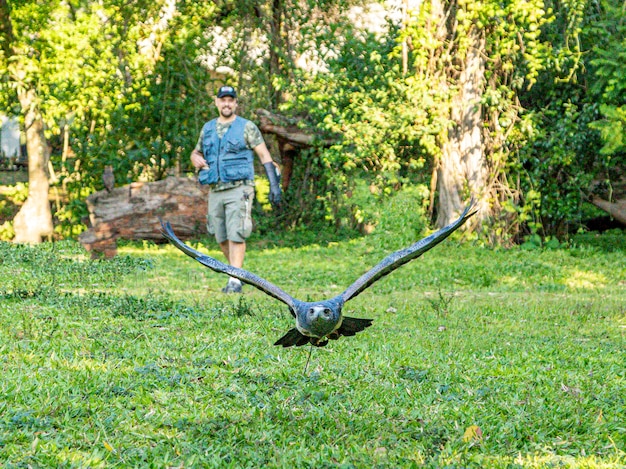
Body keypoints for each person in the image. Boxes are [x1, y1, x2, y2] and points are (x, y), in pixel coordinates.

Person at [190, 85, 282, 293]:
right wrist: (195, 158)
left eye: (231, 100)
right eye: (223, 100)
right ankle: (235, 272)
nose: (227, 103)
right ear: (217, 102)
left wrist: (274, 186)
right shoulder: (208, 128)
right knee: (220, 235)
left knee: (236, 232)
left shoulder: (247, 127)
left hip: (240, 188)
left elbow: (264, 156)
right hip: (216, 188)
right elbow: (196, 152)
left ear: (236, 103)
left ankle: (235, 280)